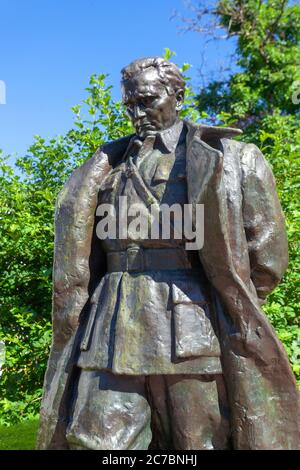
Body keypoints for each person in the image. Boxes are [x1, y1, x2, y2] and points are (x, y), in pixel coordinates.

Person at [37, 57, 299, 450]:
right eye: (130, 105)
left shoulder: (233, 158)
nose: (137, 113)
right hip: (109, 326)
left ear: (177, 96)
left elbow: (268, 257)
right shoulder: (106, 164)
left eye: (146, 100)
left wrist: (223, 303)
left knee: (198, 442)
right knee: (96, 439)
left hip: (190, 328)